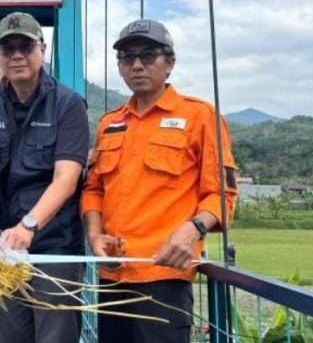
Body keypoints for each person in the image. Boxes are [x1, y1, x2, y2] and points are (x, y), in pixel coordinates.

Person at [80, 19, 239, 343]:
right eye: (127, 57)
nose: (137, 64)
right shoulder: (110, 123)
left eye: (148, 55)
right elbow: (93, 189)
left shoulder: (201, 117)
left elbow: (222, 194)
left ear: (170, 63)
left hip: (164, 275)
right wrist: (94, 235)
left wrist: (193, 229)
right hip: (112, 275)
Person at [0, 12, 90, 343]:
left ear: (42, 50)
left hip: (54, 245)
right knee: (11, 336)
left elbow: (67, 177)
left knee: (54, 337)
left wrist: (30, 225)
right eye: (7, 48)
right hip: (4, 243)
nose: (16, 55)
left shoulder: (68, 104)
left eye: (25, 46)